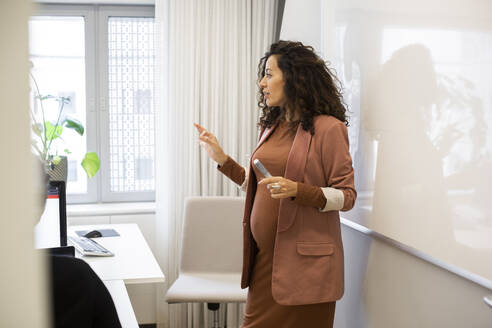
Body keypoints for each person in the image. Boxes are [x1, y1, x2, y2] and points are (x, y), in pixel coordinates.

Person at [194, 40, 356, 328]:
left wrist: (299, 191)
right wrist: (222, 159)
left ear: (294, 78)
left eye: (269, 74)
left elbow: (347, 196)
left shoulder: (330, 128)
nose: (261, 83)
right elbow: (262, 186)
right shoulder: (271, 126)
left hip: (306, 268)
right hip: (267, 262)